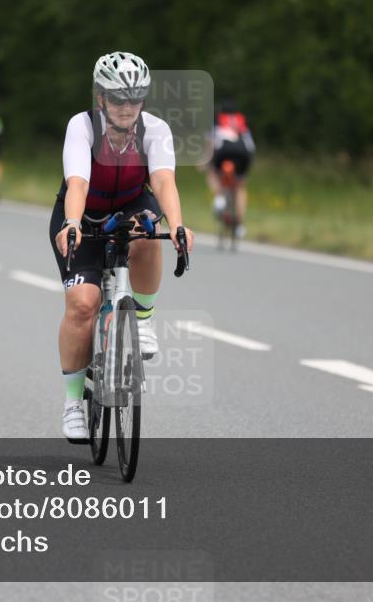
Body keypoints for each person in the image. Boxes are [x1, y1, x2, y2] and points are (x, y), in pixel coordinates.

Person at [50, 51, 194, 441]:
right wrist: (74, 223)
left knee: (149, 231)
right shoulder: (82, 127)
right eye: (117, 98)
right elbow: (77, 182)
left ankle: (142, 321)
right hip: (84, 215)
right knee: (82, 305)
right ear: (101, 99)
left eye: (134, 98)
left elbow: (163, 182)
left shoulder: (156, 129)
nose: (127, 107)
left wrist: (179, 226)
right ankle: (72, 404)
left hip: (131, 206)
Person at [206, 100, 255, 238]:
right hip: (243, 154)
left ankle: (219, 198)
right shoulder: (241, 122)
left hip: (224, 151)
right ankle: (239, 224)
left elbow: (211, 144)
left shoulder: (217, 122)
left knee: (212, 173)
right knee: (240, 187)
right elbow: (251, 146)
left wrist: (206, 162)